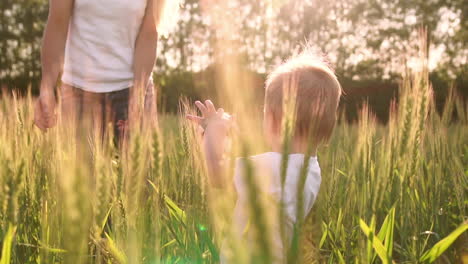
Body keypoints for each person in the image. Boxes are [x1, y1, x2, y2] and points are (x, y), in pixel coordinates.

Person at [187, 50, 342, 263]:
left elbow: (216, 175)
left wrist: (213, 131)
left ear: (272, 118)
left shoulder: (269, 166)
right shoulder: (312, 171)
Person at [34, 0, 164, 143]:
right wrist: (47, 88)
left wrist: (138, 97)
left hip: (134, 87)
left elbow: (149, 34)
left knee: (137, 164)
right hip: (78, 93)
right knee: (78, 166)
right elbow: (57, 23)